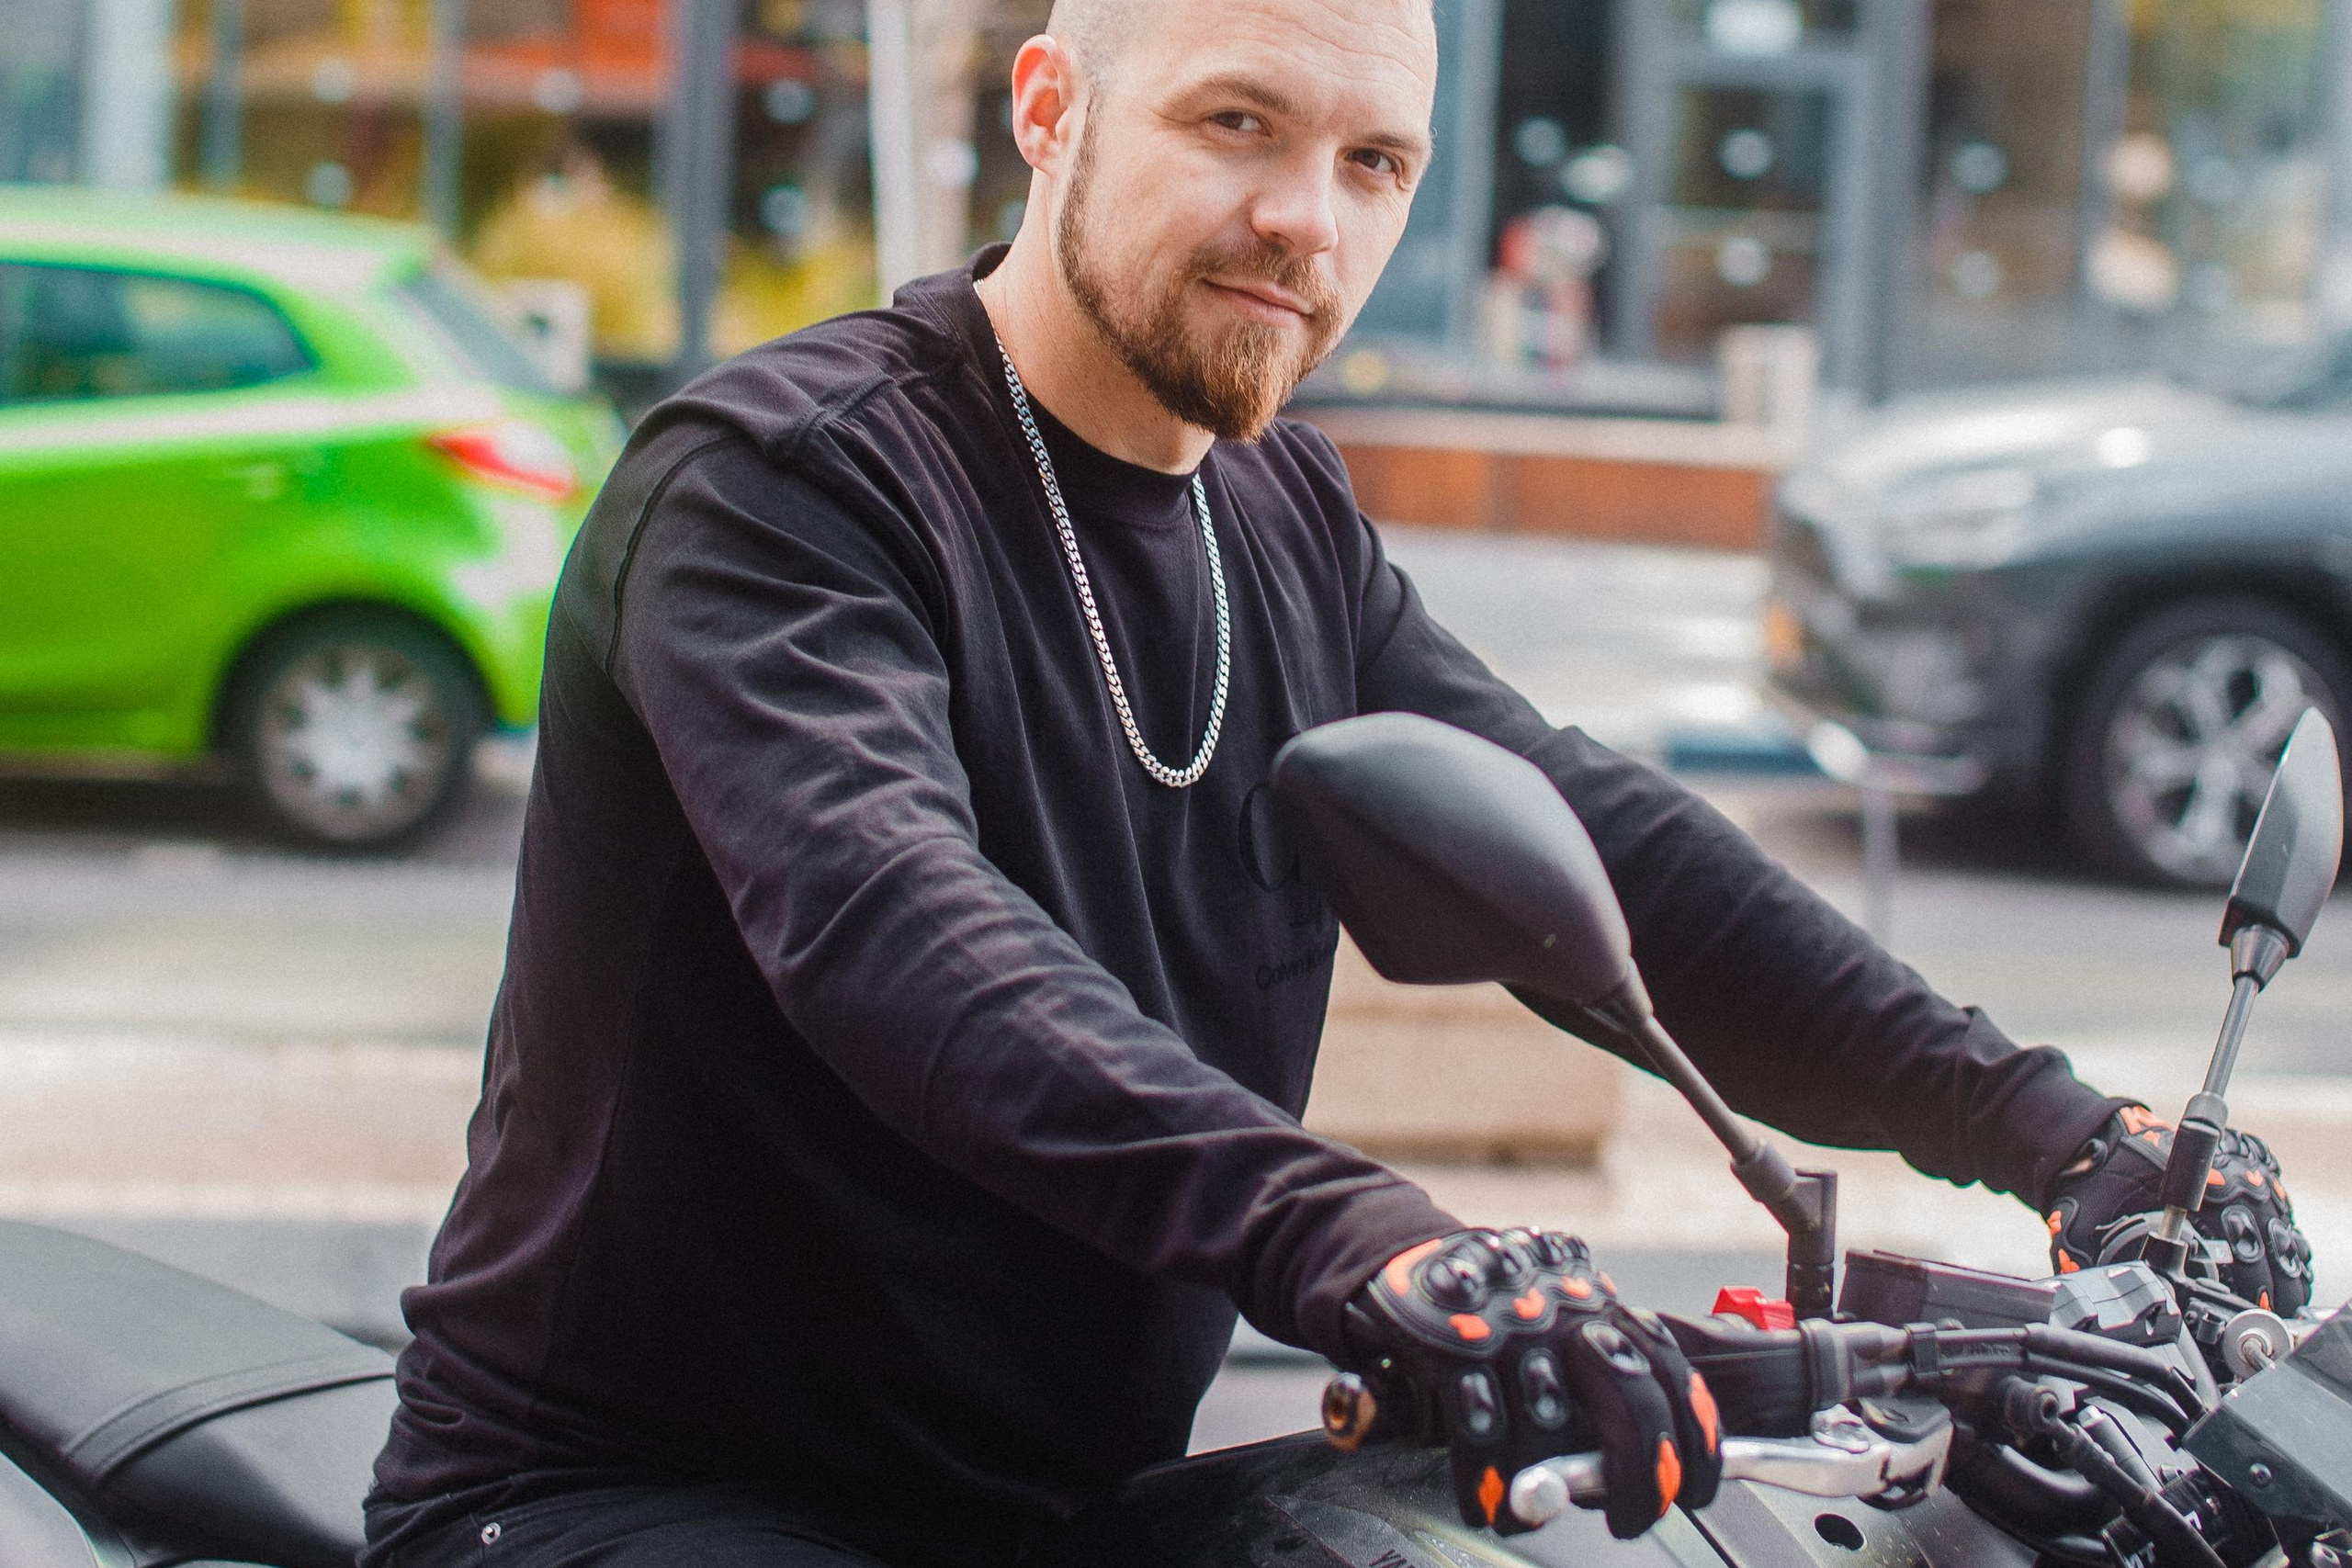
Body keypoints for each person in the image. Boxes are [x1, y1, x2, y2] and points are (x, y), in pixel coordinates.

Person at [359, 0, 2311, 1563]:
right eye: (1235, 125)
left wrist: (2056, 1127)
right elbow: (897, 938)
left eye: (1372, 162)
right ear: (1050, 109)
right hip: (635, 1488)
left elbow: (1598, 852)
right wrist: (1369, 1237)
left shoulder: (1275, 514)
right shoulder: (788, 487)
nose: (1310, 215)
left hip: (1067, 1500)